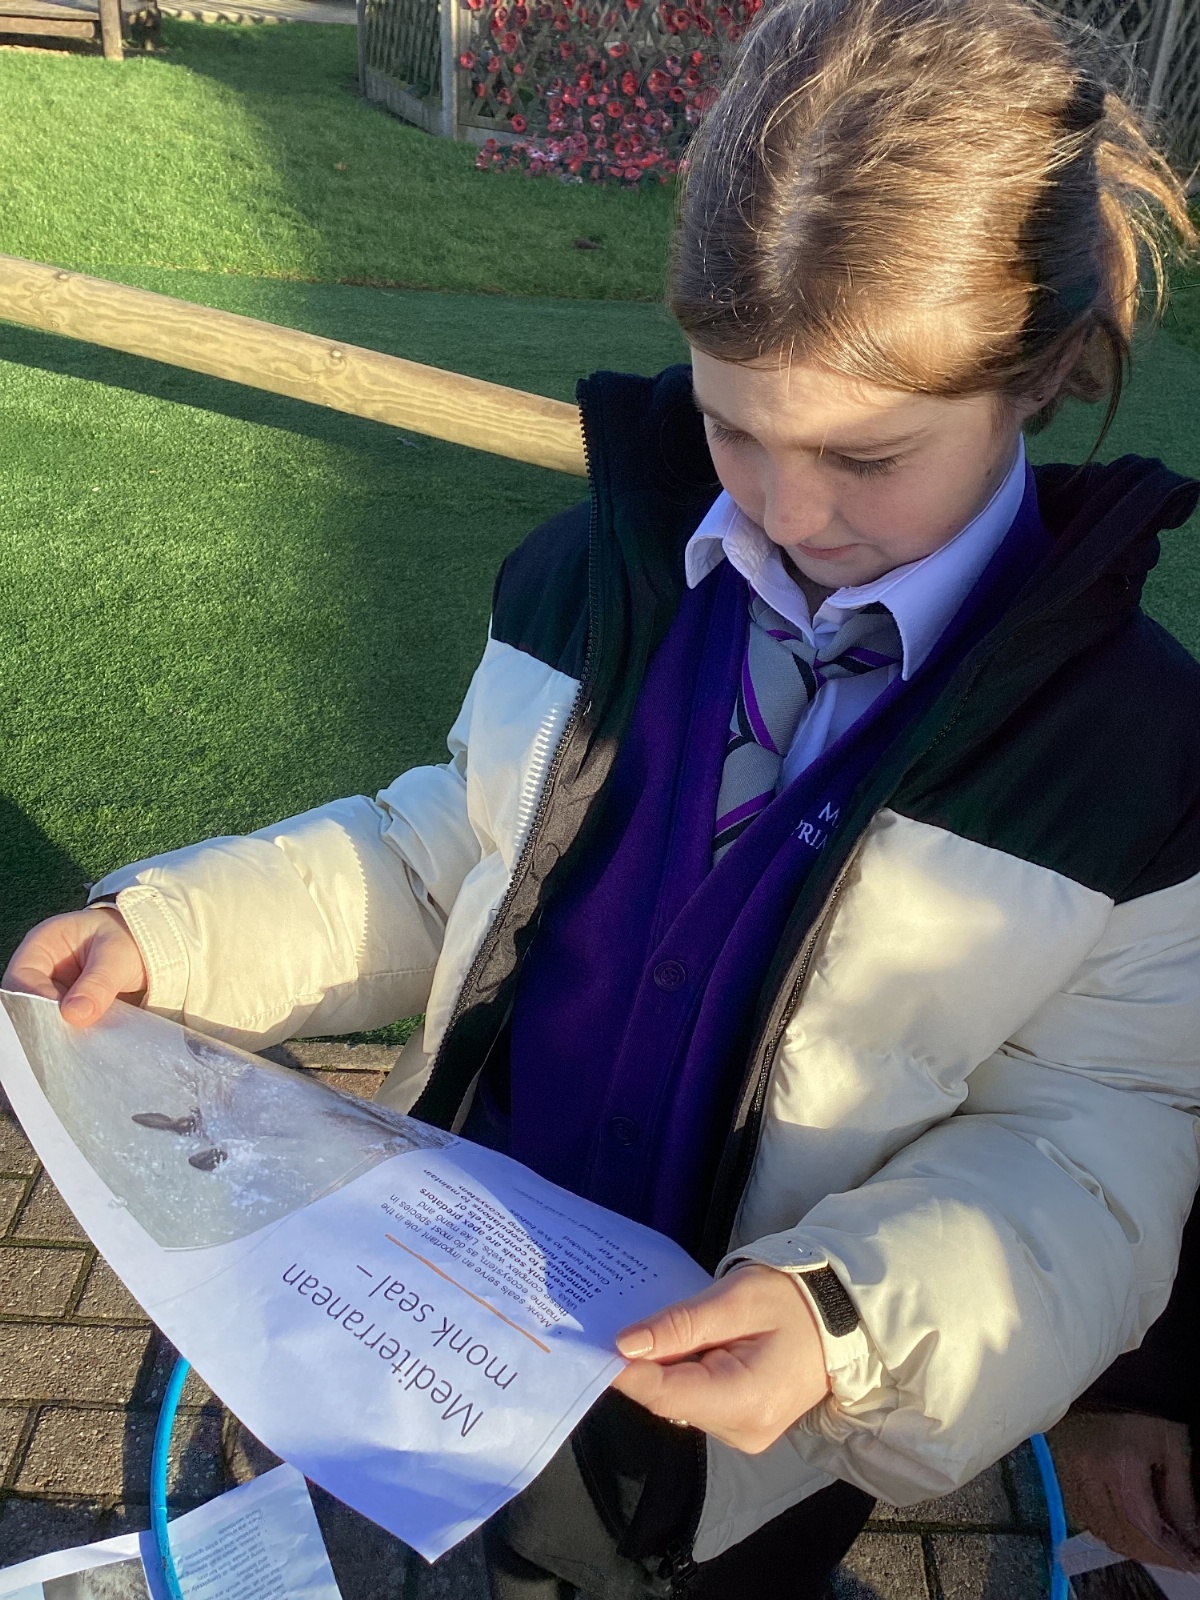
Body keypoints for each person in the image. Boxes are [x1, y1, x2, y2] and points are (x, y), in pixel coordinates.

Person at [6, 0, 1200, 1593]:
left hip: (741, 1460)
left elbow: (1093, 1142)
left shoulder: (1133, 755)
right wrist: (179, 932)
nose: (785, 508)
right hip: (444, 1319)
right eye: (731, 425)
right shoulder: (595, 578)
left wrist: (845, 1324)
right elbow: (444, 854)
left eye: (867, 457)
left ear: (1040, 369)